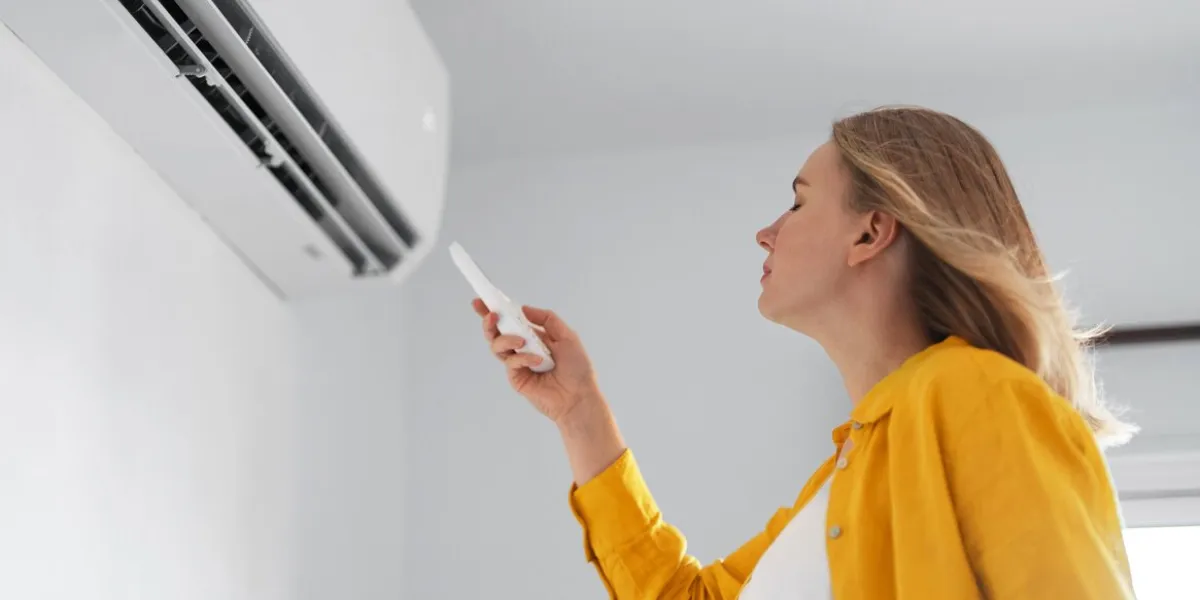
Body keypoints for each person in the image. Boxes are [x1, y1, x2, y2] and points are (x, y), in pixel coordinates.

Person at [470, 106, 1138, 599]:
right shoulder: (846, 476)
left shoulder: (981, 394)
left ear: (871, 232)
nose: (766, 232)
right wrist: (579, 413)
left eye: (797, 202)